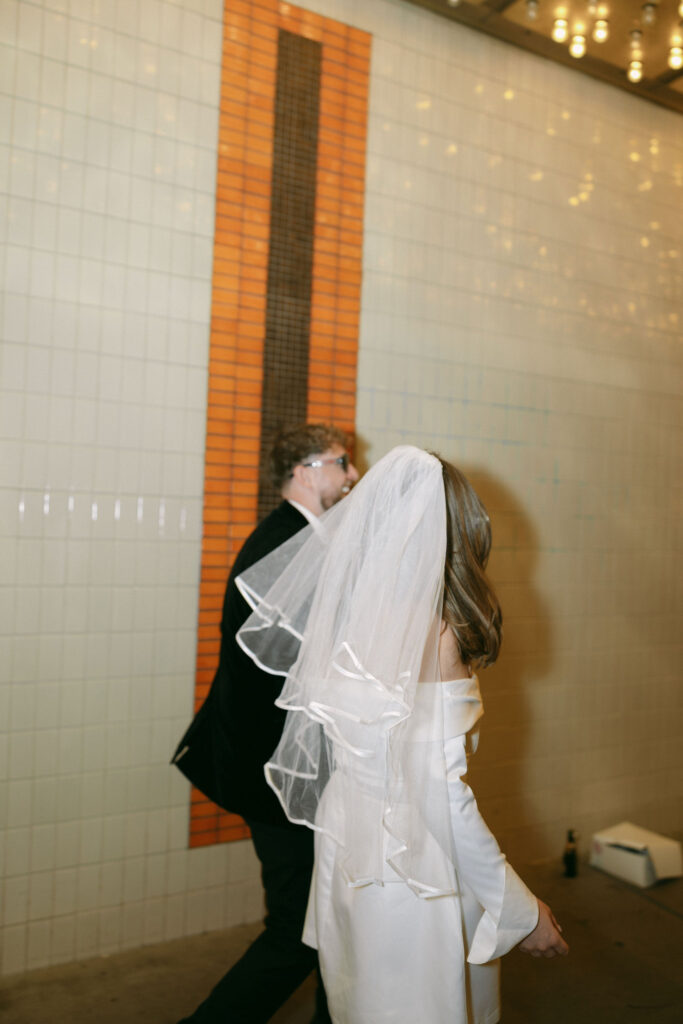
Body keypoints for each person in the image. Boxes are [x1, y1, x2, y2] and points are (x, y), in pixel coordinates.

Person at [235, 445, 568, 1024]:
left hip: (348, 860)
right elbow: (443, 800)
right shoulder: (439, 636)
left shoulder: (351, 618)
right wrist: (518, 907)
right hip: (414, 882)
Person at [172, 423, 359, 1024]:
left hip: (293, 769)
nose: (352, 475)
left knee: (330, 922)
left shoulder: (304, 540)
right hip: (273, 774)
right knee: (298, 932)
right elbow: (299, 672)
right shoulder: (280, 547)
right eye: (342, 463)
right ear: (306, 470)